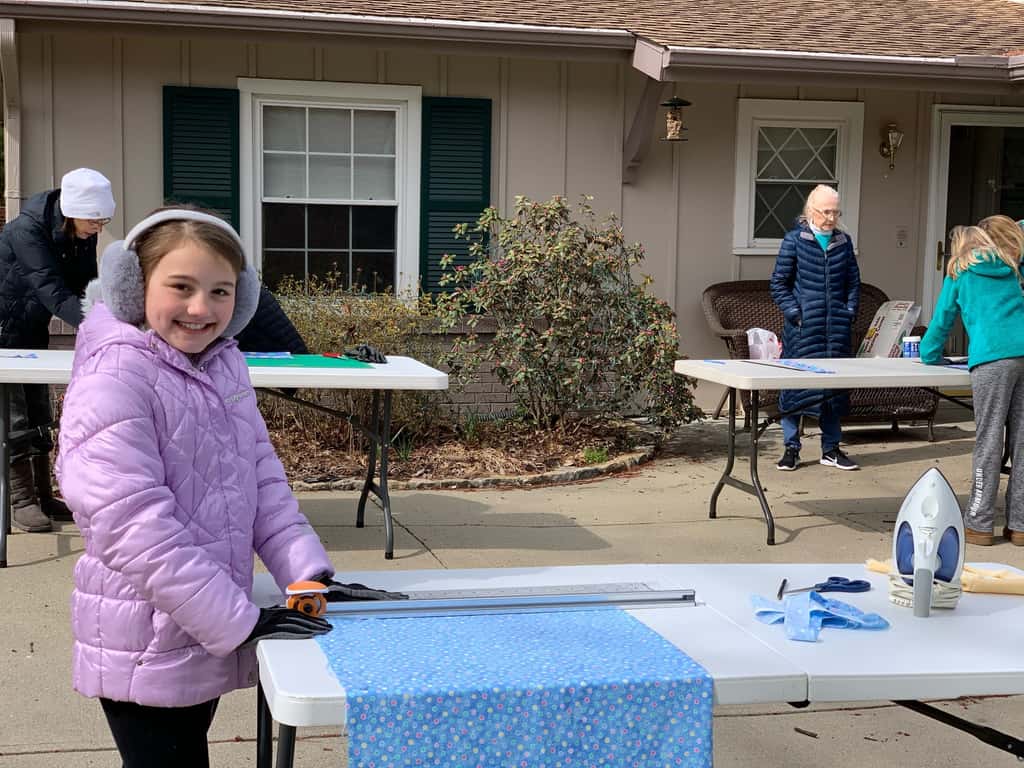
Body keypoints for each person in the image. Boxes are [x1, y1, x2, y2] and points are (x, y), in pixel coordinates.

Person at [55, 207, 404, 768]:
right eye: (181, 287)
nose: (201, 308)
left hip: (200, 625)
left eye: (220, 291)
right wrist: (238, 620)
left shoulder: (222, 364)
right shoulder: (114, 377)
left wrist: (305, 573)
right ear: (131, 286)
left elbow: (260, 477)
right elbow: (132, 525)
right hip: (144, 634)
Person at [0, 168, 114, 532]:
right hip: (2, 328)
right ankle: (21, 501)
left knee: (39, 407)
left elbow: (83, 286)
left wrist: (109, 316)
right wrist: (99, 324)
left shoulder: (80, 233)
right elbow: (51, 290)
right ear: (72, 211)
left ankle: (44, 494)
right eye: (95, 220)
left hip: (32, 328)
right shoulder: (26, 231)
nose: (99, 226)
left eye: (103, 220)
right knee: (14, 413)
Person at [921, 224, 1024, 546]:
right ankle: (1019, 526)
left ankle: (980, 524)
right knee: (1022, 442)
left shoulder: (961, 273)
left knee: (989, 440)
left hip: (992, 359)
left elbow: (942, 321)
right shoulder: (1012, 268)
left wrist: (928, 354)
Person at [770, 184, 861, 472]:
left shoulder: (843, 243)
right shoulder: (794, 241)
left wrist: (848, 313)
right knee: (795, 389)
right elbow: (778, 284)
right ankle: (791, 449)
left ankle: (831, 449)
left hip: (836, 331)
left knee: (833, 390)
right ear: (811, 211)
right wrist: (796, 314)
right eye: (826, 212)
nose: (831, 218)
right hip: (803, 330)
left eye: (836, 212)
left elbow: (853, 285)